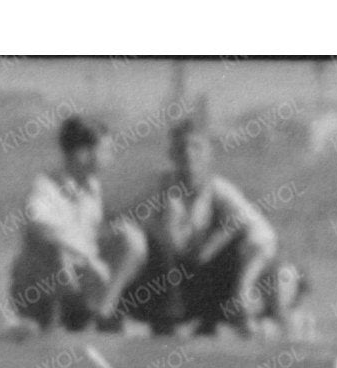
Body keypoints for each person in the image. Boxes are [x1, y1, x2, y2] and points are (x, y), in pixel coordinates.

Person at [117, 113, 289, 338]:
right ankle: (148, 322)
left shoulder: (221, 191)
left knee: (244, 242)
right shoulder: (157, 188)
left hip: (205, 282)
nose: (189, 154)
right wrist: (155, 227)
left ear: (209, 154)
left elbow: (264, 236)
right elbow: (121, 222)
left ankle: (226, 320)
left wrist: (243, 285)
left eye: (196, 147)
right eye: (181, 148)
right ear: (172, 155)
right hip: (162, 285)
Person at [12, 113, 142, 331]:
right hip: (39, 286)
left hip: (79, 277)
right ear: (83, 154)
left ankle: (102, 312)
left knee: (132, 239)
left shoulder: (93, 187)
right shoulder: (45, 187)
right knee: (55, 250)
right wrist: (87, 256)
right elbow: (36, 222)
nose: (111, 156)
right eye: (106, 150)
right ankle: (56, 323)